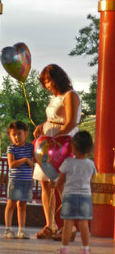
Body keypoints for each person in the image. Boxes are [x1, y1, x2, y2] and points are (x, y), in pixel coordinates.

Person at [33, 64, 81, 240]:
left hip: (63, 143)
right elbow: (51, 119)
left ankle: (72, 227)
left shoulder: (70, 95)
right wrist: (42, 127)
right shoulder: (55, 98)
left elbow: (70, 123)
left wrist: (55, 138)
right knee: (45, 183)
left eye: (49, 80)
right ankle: (50, 225)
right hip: (47, 144)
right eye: (44, 82)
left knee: (61, 184)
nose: (47, 85)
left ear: (58, 78)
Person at [54, 131, 96, 254]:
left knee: (68, 224)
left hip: (70, 196)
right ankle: (85, 249)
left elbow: (60, 181)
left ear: (74, 147)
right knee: (83, 224)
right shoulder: (91, 164)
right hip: (85, 197)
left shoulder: (68, 162)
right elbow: (92, 182)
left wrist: (57, 187)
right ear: (89, 148)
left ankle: (64, 249)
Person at [3, 121, 34, 240]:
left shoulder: (30, 147)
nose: (16, 137)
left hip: (26, 180)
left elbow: (35, 160)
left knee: (22, 205)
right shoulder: (11, 148)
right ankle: (8, 229)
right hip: (15, 180)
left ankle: (21, 230)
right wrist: (26, 160)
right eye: (13, 134)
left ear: (26, 134)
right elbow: (11, 164)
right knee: (11, 204)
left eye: (19, 134)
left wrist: (32, 162)